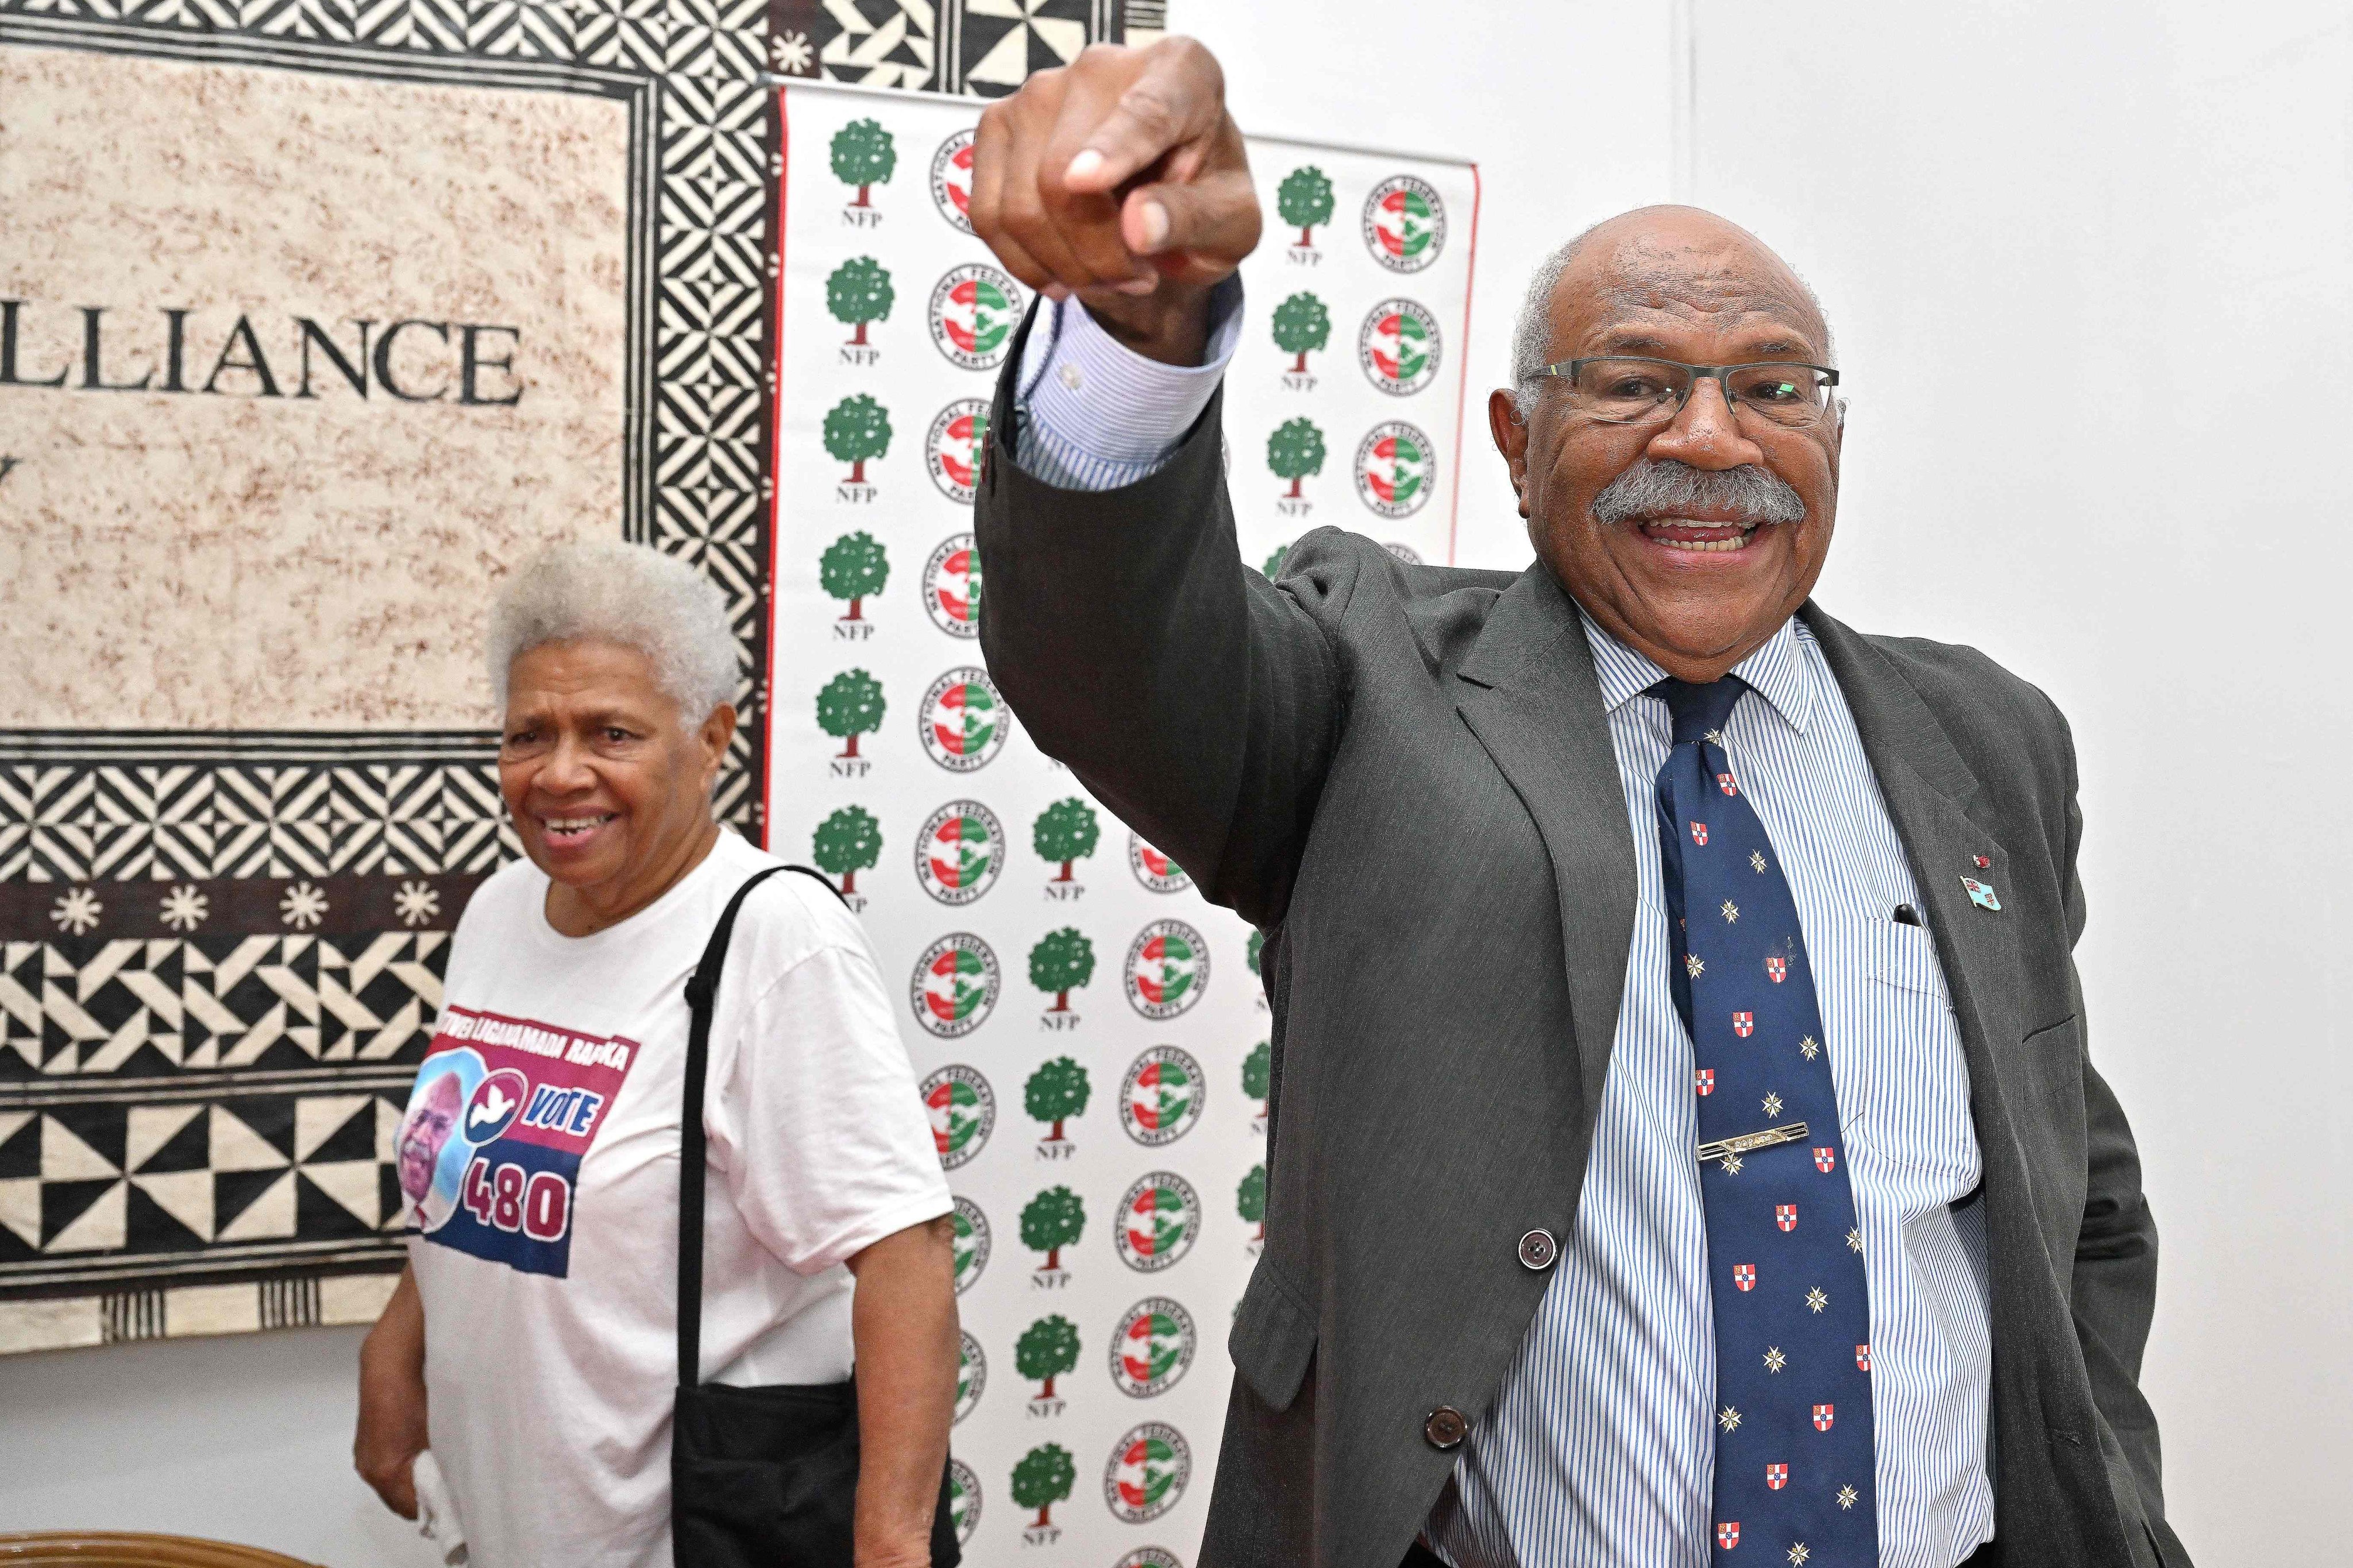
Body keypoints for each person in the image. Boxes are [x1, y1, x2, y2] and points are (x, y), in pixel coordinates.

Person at [965, 38, 2190, 1568]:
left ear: (1833, 433)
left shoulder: (1988, 737)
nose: (1710, 438)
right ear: (1515, 441)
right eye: (1632, 383)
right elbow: (1114, 660)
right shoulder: (1372, 679)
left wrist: (2105, 1481)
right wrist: (1135, 334)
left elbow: (2074, 1187)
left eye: (1771, 387)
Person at [354, 542, 958, 1568]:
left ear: (710, 737)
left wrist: (891, 1545)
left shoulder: (773, 938)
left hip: (683, 1537)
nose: (558, 773)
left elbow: (908, 1257)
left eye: (612, 733)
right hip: (507, 1522)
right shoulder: (500, 913)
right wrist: (399, 1337)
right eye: (528, 733)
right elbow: (479, 1167)